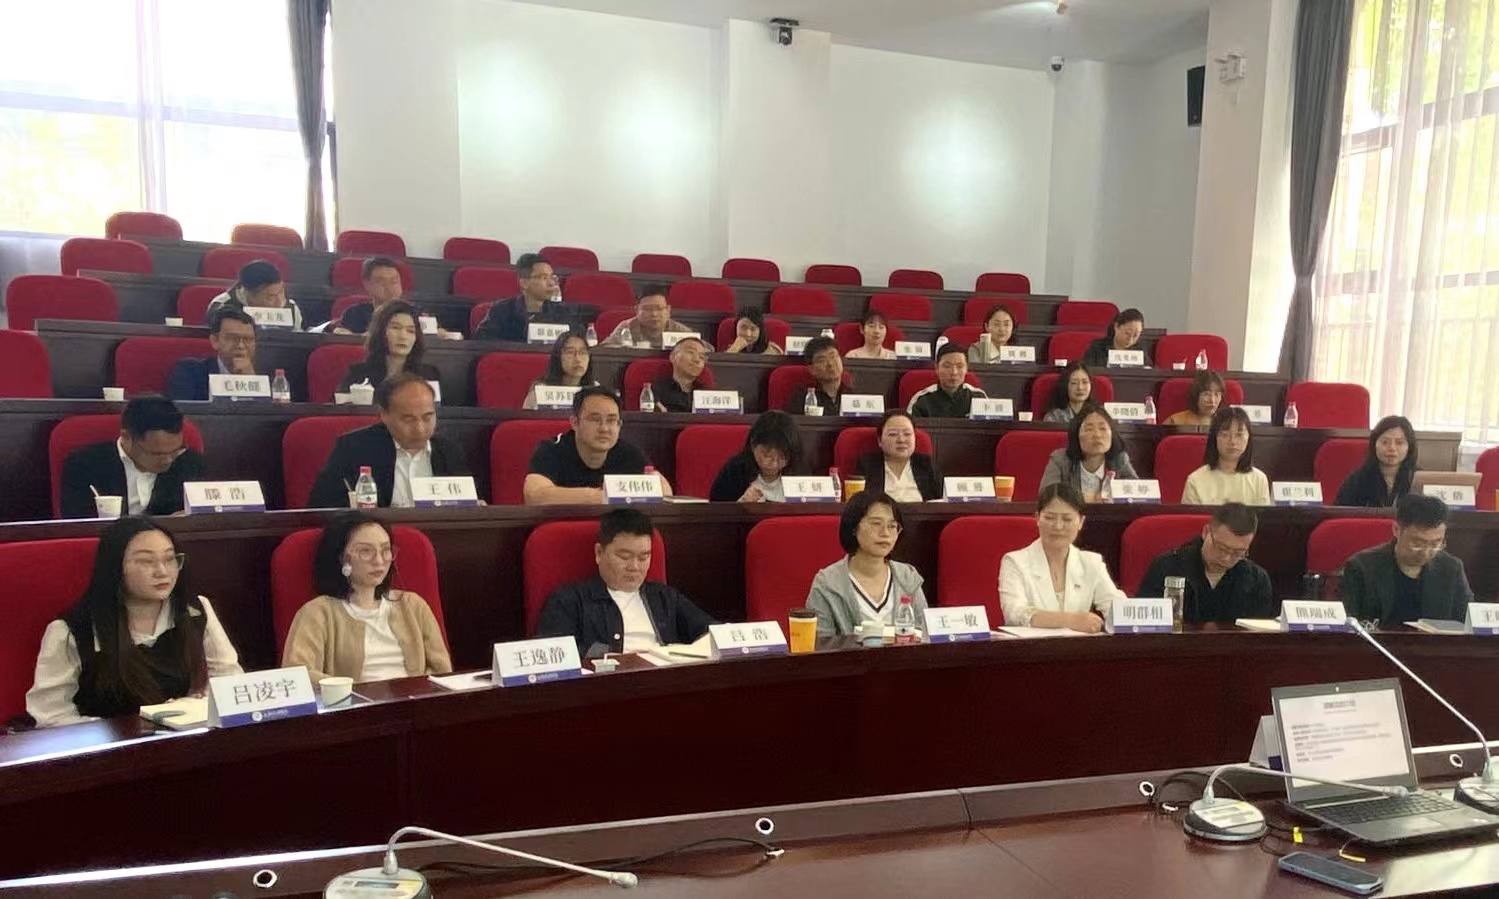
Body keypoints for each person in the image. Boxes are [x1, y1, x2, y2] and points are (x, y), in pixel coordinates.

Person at [25, 517, 241, 727]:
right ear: (115, 567)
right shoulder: (71, 631)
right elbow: (51, 716)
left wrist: (193, 709)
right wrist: (123, 732)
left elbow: (229, 680)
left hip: (186, 740)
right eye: (146, 561)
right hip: (112, 746)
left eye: (170, 559)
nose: (162, 572)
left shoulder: (194, 610)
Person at [281, 512, 452, 683]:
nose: (379, 561)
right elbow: (298, 675)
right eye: (365, 551)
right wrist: (349, 690)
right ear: (342, 557)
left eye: (385, 550)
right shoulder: (317, 613)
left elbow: (442, 671)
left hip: (414, 699)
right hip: (349, 700)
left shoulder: (413, 605)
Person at [535, 508, 714, 656]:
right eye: (624, 557)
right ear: (599, 553)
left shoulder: (665, 597)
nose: (634, 567)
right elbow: (553, 653)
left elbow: (714, 633)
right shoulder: (569, 600)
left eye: (643, 557)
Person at [307, 374, 470, 509]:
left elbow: (465, 505)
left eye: (427, 418)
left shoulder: (449, 451)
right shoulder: (355, 449)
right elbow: (321, 507)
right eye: (408, 419)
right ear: (384, 415)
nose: (420, 429)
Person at [998, 482, 1125, 631]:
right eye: (1050, 518)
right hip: (1032, 645)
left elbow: (1117, 609)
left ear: (1081, 522)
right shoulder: (1015, 562)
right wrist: (1070, 620)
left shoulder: (1091, 562)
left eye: (1067, 519)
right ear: (1038, 518)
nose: (1058, 526)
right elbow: (1015, 614)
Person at [805, 490, 928, 637]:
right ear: (853, 527)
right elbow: (821, 643)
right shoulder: (828, 583)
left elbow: (924, 634)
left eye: (892, 526)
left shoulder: (908, 577)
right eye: (876, 524)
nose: (885, 533)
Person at [60, 396, 208, 519]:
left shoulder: (191, 463)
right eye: (157, 454)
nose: (169, 460)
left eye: (175, 451)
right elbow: (78, 524)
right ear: (126, 437)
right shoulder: (85, 465)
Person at [1342, 494, 1473, 627]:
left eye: (1435, 544)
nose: (1426, 552)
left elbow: (1469, 623)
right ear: (1396, 530)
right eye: (1417, 543)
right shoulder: (1361, 568)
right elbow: (1350, 624)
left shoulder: (1452, 569)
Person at [525, 386, 671, 503]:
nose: (604, 428)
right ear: (575, 423)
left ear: (619, 425)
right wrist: (601, 497)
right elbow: (535, 495)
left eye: (611, 420)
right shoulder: (552, 450)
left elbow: (665, 491)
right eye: (595, 420)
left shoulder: (629, 452)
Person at [1137, 503, 1276, 622]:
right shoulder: (1167, 567)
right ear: (1206, 532)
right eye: (1222, 548)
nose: (1226, 558)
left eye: (1238, 552)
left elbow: (1258, 637)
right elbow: (1144, 625)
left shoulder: (1257, 581)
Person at [337, 301, 441, 393]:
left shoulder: (427, 375)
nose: (403, 336)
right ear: (380, 332)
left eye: (410, 331)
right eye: (395, 328)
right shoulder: (359, 374)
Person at [1038, 404, 1138, 500]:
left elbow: (1137, 492)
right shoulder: (1061, 459)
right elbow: (1046, 495)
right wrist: (1083, 499)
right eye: (1089, 429)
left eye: (1103, 428)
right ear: (1076, 435)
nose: (1097, 435)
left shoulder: (1120, 460)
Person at [472, 253, 573, 342]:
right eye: (544, 277)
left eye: (551, 277)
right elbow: (483, 341)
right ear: (524, 283)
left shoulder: (563, 312)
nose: (551, 283)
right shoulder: (501, 311)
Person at [166, 305, 258, 402]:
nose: (241, 346)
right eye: (232, 338)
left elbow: (265, 410)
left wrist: (252, 381)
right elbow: (181, 409)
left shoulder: (265, 376)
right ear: (215, 341)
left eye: (248, 340)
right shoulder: (189, 372)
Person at [1181, 406, 1271, 505]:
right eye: (1225, 435)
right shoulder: (1195, 480)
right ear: (1214, 438)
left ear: (1248, 438)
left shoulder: (1259, 480)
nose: (1232, 441)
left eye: (1239, 435)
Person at [709, 411, 802, 502]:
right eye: (766, 455)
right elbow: (716, 507)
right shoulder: (734, 471)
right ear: (753, 444)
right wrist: (741, 503)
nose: (774, 464)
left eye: (781, 457)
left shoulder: (799, 471)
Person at [857, 409, 941, 502]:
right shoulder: (868, 466)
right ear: (880, 441)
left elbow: (941, 502)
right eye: (893, 434)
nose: (901, 440)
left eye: (907, 434)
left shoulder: (927, 465)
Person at [1336, 415, 1418, 508]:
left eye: (1399, 443)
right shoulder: (1358, 479)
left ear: (1409, 447)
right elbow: (1340, 512)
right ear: (1374, 445)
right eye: (1385, 442)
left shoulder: (1418, 478)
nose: (1392, 448)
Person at [205, 259, 304, 331]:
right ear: (250, 296)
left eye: (281, 292)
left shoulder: (291, 308)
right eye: (271, 297)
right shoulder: (221, 306)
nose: (279, 302)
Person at [522, 331, 597, 411]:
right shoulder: (540, 392)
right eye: (570, 352)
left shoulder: (596, 390)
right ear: (558, 357)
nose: (578, 359)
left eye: (583, 352)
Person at [907, 345, 987, 418]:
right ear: (937, 368)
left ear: (967, 368)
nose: (954, 372)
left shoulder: (978, 397)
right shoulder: (921, 400)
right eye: (947, 366)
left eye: (960, 366)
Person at [602, 285, 691, 349]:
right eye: (647, 309)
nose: (654, 314)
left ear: (668, 310)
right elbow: (606, 348)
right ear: (637, 310)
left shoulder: (680, 331)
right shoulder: (627, 327)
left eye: (659, 308)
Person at [334, 257, 405, 335]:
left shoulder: (412, 314)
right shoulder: (355, 314)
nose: (389, 287)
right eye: (382, 282)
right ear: (367, 285)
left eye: (394, 281)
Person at [784, 336, 849, 413]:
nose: (830, 364)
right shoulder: (803, 398)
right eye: (822, 360)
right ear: (811, 369)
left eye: (833, 356)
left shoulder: (854, 395)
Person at [649, 336, 710, 414]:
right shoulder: (657, 389)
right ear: (673, 357)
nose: (697, 360)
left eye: (701, 357)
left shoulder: (706, 393)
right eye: (691, 352)